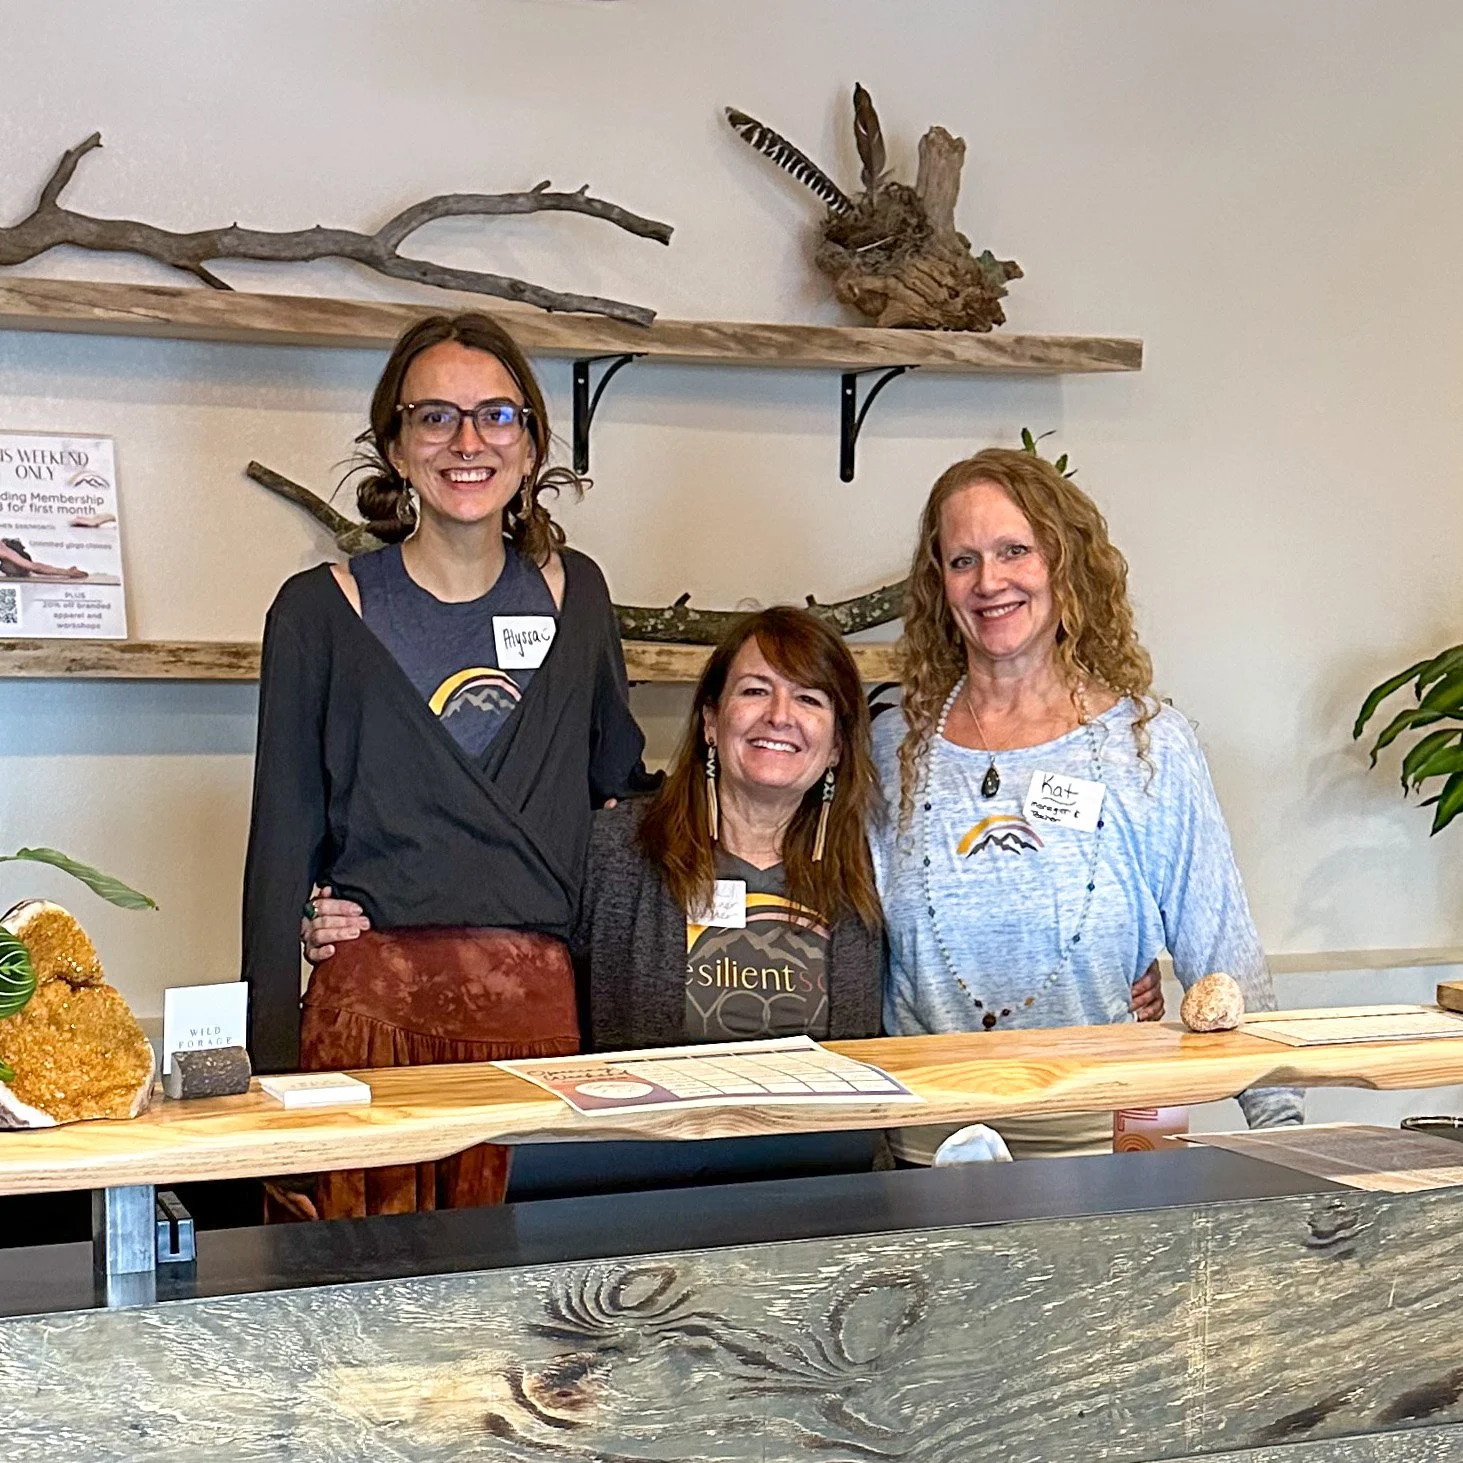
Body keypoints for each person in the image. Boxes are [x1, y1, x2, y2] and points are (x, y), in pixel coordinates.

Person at [241, 311, 648, 1218]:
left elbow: (617, 800)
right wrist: (259, 1093)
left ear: (533, 441)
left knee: (537, 1339)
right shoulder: (318, 611)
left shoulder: (579, 596)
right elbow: (280, 845)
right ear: (393, 442)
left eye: (497, 415)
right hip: (368, 1031)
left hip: (540, 1036)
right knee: (362, 1334)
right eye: (435, 417)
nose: (468, 442)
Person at [308, 607, 888, 1192]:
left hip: (819, 1186)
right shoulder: (616, 847)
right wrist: (361, 915)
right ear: (712, 720)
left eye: (809, 699)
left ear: (838, 744)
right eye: (755, 690)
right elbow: (483, 901)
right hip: (636, 1191)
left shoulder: (874, 868)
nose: (779, 717)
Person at [872, 447, 1300, 1162]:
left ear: (1063, 564)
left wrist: (1286, 1134)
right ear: (936, 583)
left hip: (1113, 1135)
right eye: (962, 559)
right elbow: (849, 935)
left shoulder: (1147, 745)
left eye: (1015, 550)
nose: (990, 581)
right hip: (929, 1138)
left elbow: (1221, 947)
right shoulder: (891, 747)